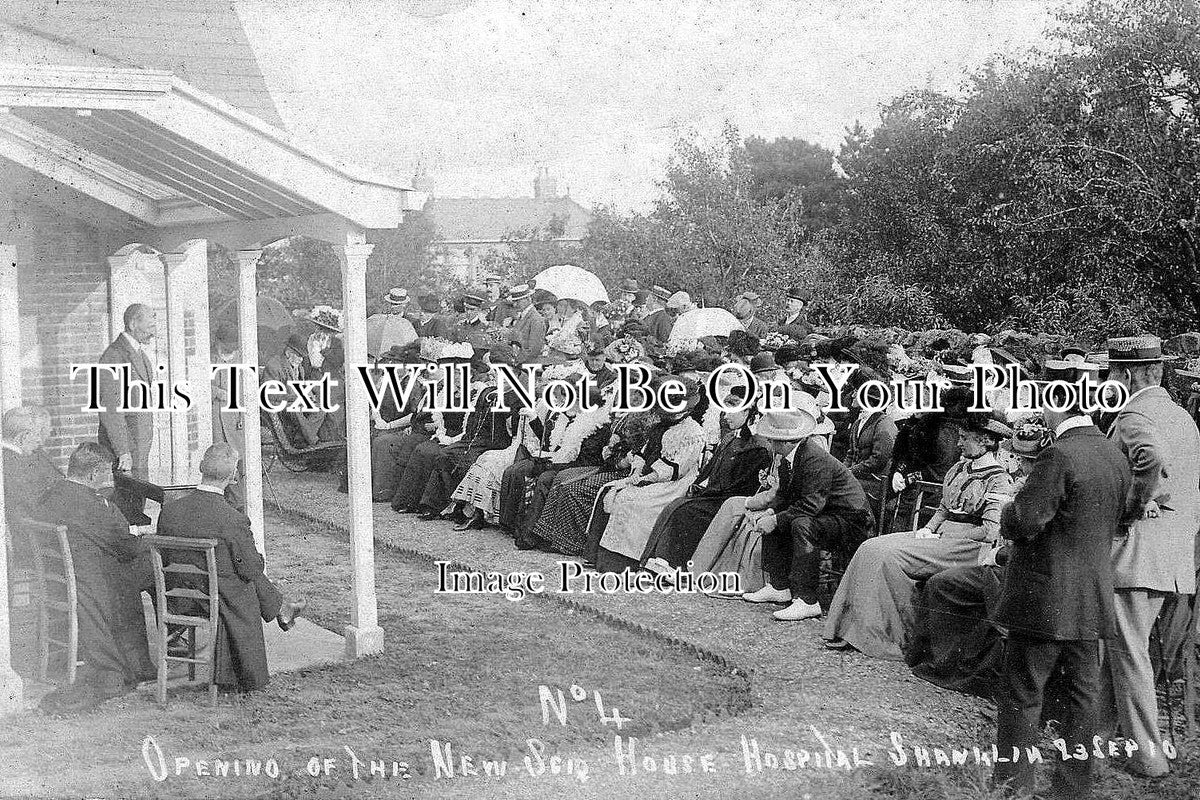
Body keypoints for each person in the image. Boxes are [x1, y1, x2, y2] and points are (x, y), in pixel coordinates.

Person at [991, 392, 1131, 800]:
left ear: (1057, 406)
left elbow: (1025, 521)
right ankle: (1072, 791)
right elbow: (1123, 516)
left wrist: (1008, 508)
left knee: (1023, 691)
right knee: (1082, 697)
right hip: (1093, 597)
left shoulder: (1058, 456)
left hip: (1045, 596)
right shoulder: (1113, 452)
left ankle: (1013, 787)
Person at [823, 413, 1012, 658]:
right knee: (871, 546)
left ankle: (896, 636)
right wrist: (929, 529)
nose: (958, 444)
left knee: (889, 556)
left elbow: (990, 531)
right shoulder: (959, 468)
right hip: (940, 537)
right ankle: (852, 630)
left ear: (986, 440)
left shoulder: (999, 480)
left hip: (969, 546)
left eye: (965, 438)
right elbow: (944, 508)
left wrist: (945, 538)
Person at [1099, 334, 1200, 778]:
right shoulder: (1180, 415)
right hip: (1175, 550)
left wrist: (1131, 506)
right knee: (1124, 646)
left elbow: (1151, 458)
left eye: (1110, 373)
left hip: (1140, 550)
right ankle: (1094, 738)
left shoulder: (1135, 413)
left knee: (1128, 651)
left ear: (1126, 374)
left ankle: (1148, 755)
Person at [908, 420, 1051, 696]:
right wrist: (929, 529)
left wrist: (1001, 550)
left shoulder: (1020, 486)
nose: (1022, 465)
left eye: (1029, 460)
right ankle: (940, 658)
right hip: (999, 561)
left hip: (1013, 568)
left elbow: (996, 531)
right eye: (1021, 458)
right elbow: (946, 509)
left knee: (954, 586)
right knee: (941, 583)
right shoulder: (1005, 480)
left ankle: (976, 669)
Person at [155, 444, 306, 693]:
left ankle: (283, 608)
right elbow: (251, 568)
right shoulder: (232, 518)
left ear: (201, 468)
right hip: (214, 600)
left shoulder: (170, 510)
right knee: (246, 582)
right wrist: (257, 558)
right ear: (233, 477)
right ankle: (279, 613)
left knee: (233, 572)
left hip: (177, 596)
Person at [36, 443, 155, 710]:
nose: (111, 479)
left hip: (62, 578)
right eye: (108, 474)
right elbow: (125, 546)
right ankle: (145, 660)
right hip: (93, 581)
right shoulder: (92, 504)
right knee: (155, 564)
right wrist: (141, 536)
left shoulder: (52, 494)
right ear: (92, 475)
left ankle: (144, 659)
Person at [741, 399, 875, 622]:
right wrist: (771, 513)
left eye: (772, 439)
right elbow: (785, 495)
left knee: (801, 523)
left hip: (852, 521)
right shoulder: (787, 458)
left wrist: (775, 520)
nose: (770, 442)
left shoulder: (814, 458)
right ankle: (779, 585)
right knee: (783, 518)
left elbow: (811, 505)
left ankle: (807, 600)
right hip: (828, 513)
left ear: (784, 441)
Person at [640, 390, 770, 571]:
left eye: (731, 412)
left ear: (746, 412)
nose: (725, 417)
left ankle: (675, 564)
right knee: (678, 503)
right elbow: (710, 470)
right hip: (716, 493)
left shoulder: (758, 446)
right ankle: (659, 558)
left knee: (687, 511)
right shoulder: (731, 437)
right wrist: (700, 486)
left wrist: (709, 492)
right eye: (724, 412)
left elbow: (743, 485)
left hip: (731, 500)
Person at [593, 377, 708, 572]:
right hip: (653, 477)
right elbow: (643, 453)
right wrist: (637, 471)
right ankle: (602, 557)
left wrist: (644, 480)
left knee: (632, 500)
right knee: (612, 491)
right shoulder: (660, 426)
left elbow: (675, 469)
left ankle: (628, 560)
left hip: (674, 484)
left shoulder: (693, 433)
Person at [96, 302, 157, 479]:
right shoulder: (114, 356)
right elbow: (110, 410)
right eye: (149, 326)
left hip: (138, 447)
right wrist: (122, 451)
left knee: (135, 502)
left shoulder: (140, 354)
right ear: (132, 324)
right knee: (126, 502)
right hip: (125, 452)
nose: (153, 333)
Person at [1, 404, 61, 523]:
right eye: (37, 434)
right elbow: (37, 508)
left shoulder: (7, 458)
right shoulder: (17, 466)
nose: (39, 440)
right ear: (23, 437)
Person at [211, 330, 246, 510]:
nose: (228, 351)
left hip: (236, 416)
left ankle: (238, 502)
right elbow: (201, 384)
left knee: (238, 458)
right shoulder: (210, 358)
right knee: (221, 458)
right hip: (216, 416)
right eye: (225, 347)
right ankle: (227, 502)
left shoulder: (240, 358)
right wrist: (218, 392)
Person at [365, 287, 418, 360]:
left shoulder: (410, 322)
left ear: (404, 305)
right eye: (392, 304)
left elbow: (413, 344)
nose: (393, 307)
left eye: (397, 304)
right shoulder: (380, 320)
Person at [505, 282, 547, 361]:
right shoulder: (521, 316)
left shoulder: (536, 319)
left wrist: (515, 361)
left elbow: (534, 350)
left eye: (518, 301)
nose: (515, 305)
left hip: (526, 365)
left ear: (528, 299)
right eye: (514, 301)